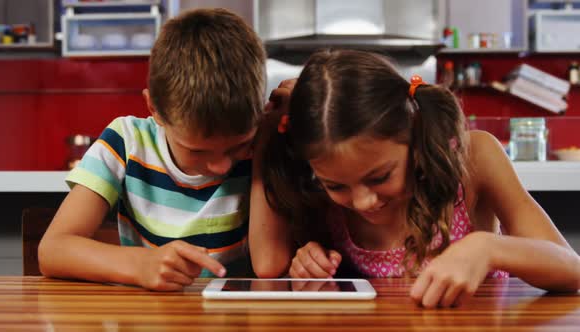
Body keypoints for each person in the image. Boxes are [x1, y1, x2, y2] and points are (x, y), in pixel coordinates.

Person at [250, 49, 580, 308]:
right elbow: (268, 264)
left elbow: (571, 269)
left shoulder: (472, 157)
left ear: (414, 133)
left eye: (380, 177)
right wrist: (310, 264)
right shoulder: (320, 193)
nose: (364, 201)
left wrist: (489, 248)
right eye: (335, 186)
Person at [38, 8, 267, 291]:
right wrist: (140, 265)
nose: (221, 167)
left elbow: (270, 265)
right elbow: (53, 250)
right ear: (154, 109)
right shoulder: (127, 141)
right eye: (197, 151)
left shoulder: (264, 146)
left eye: (238, 146)